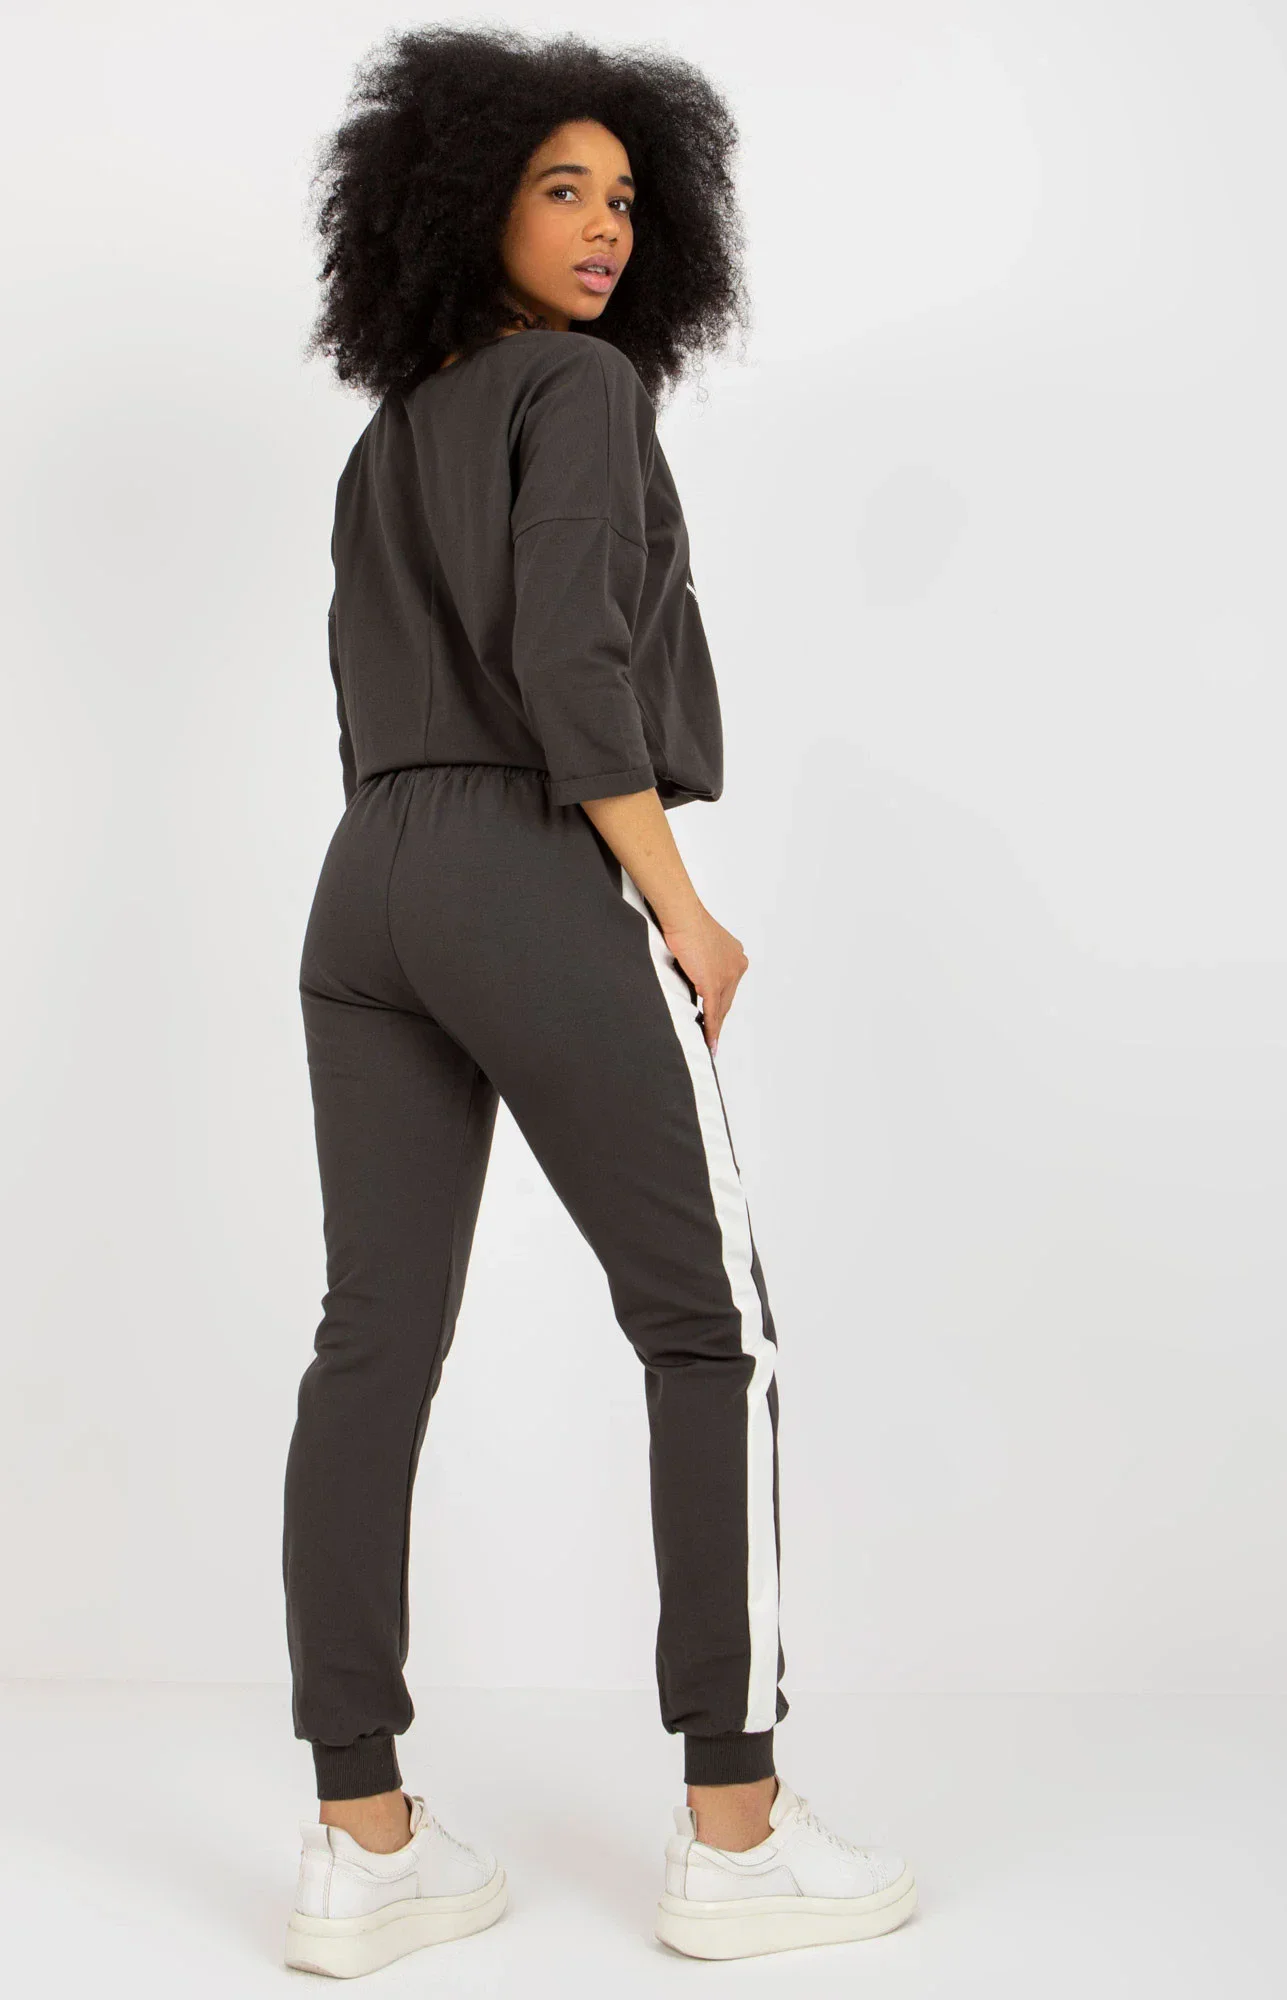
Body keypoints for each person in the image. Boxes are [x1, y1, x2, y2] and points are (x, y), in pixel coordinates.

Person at [279, 25, 915, 1976]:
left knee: (371, 1345)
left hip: (364, 882)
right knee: (710, 1329)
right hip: (520, 862)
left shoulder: (386, 443)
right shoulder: (580, 386)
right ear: (462, 205)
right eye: (562, 189)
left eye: (626, 198)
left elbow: (372, 685)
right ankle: (739, 1829)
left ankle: (363, 1842)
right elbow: (570, 665)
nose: (607, 228)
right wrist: (683, 908)